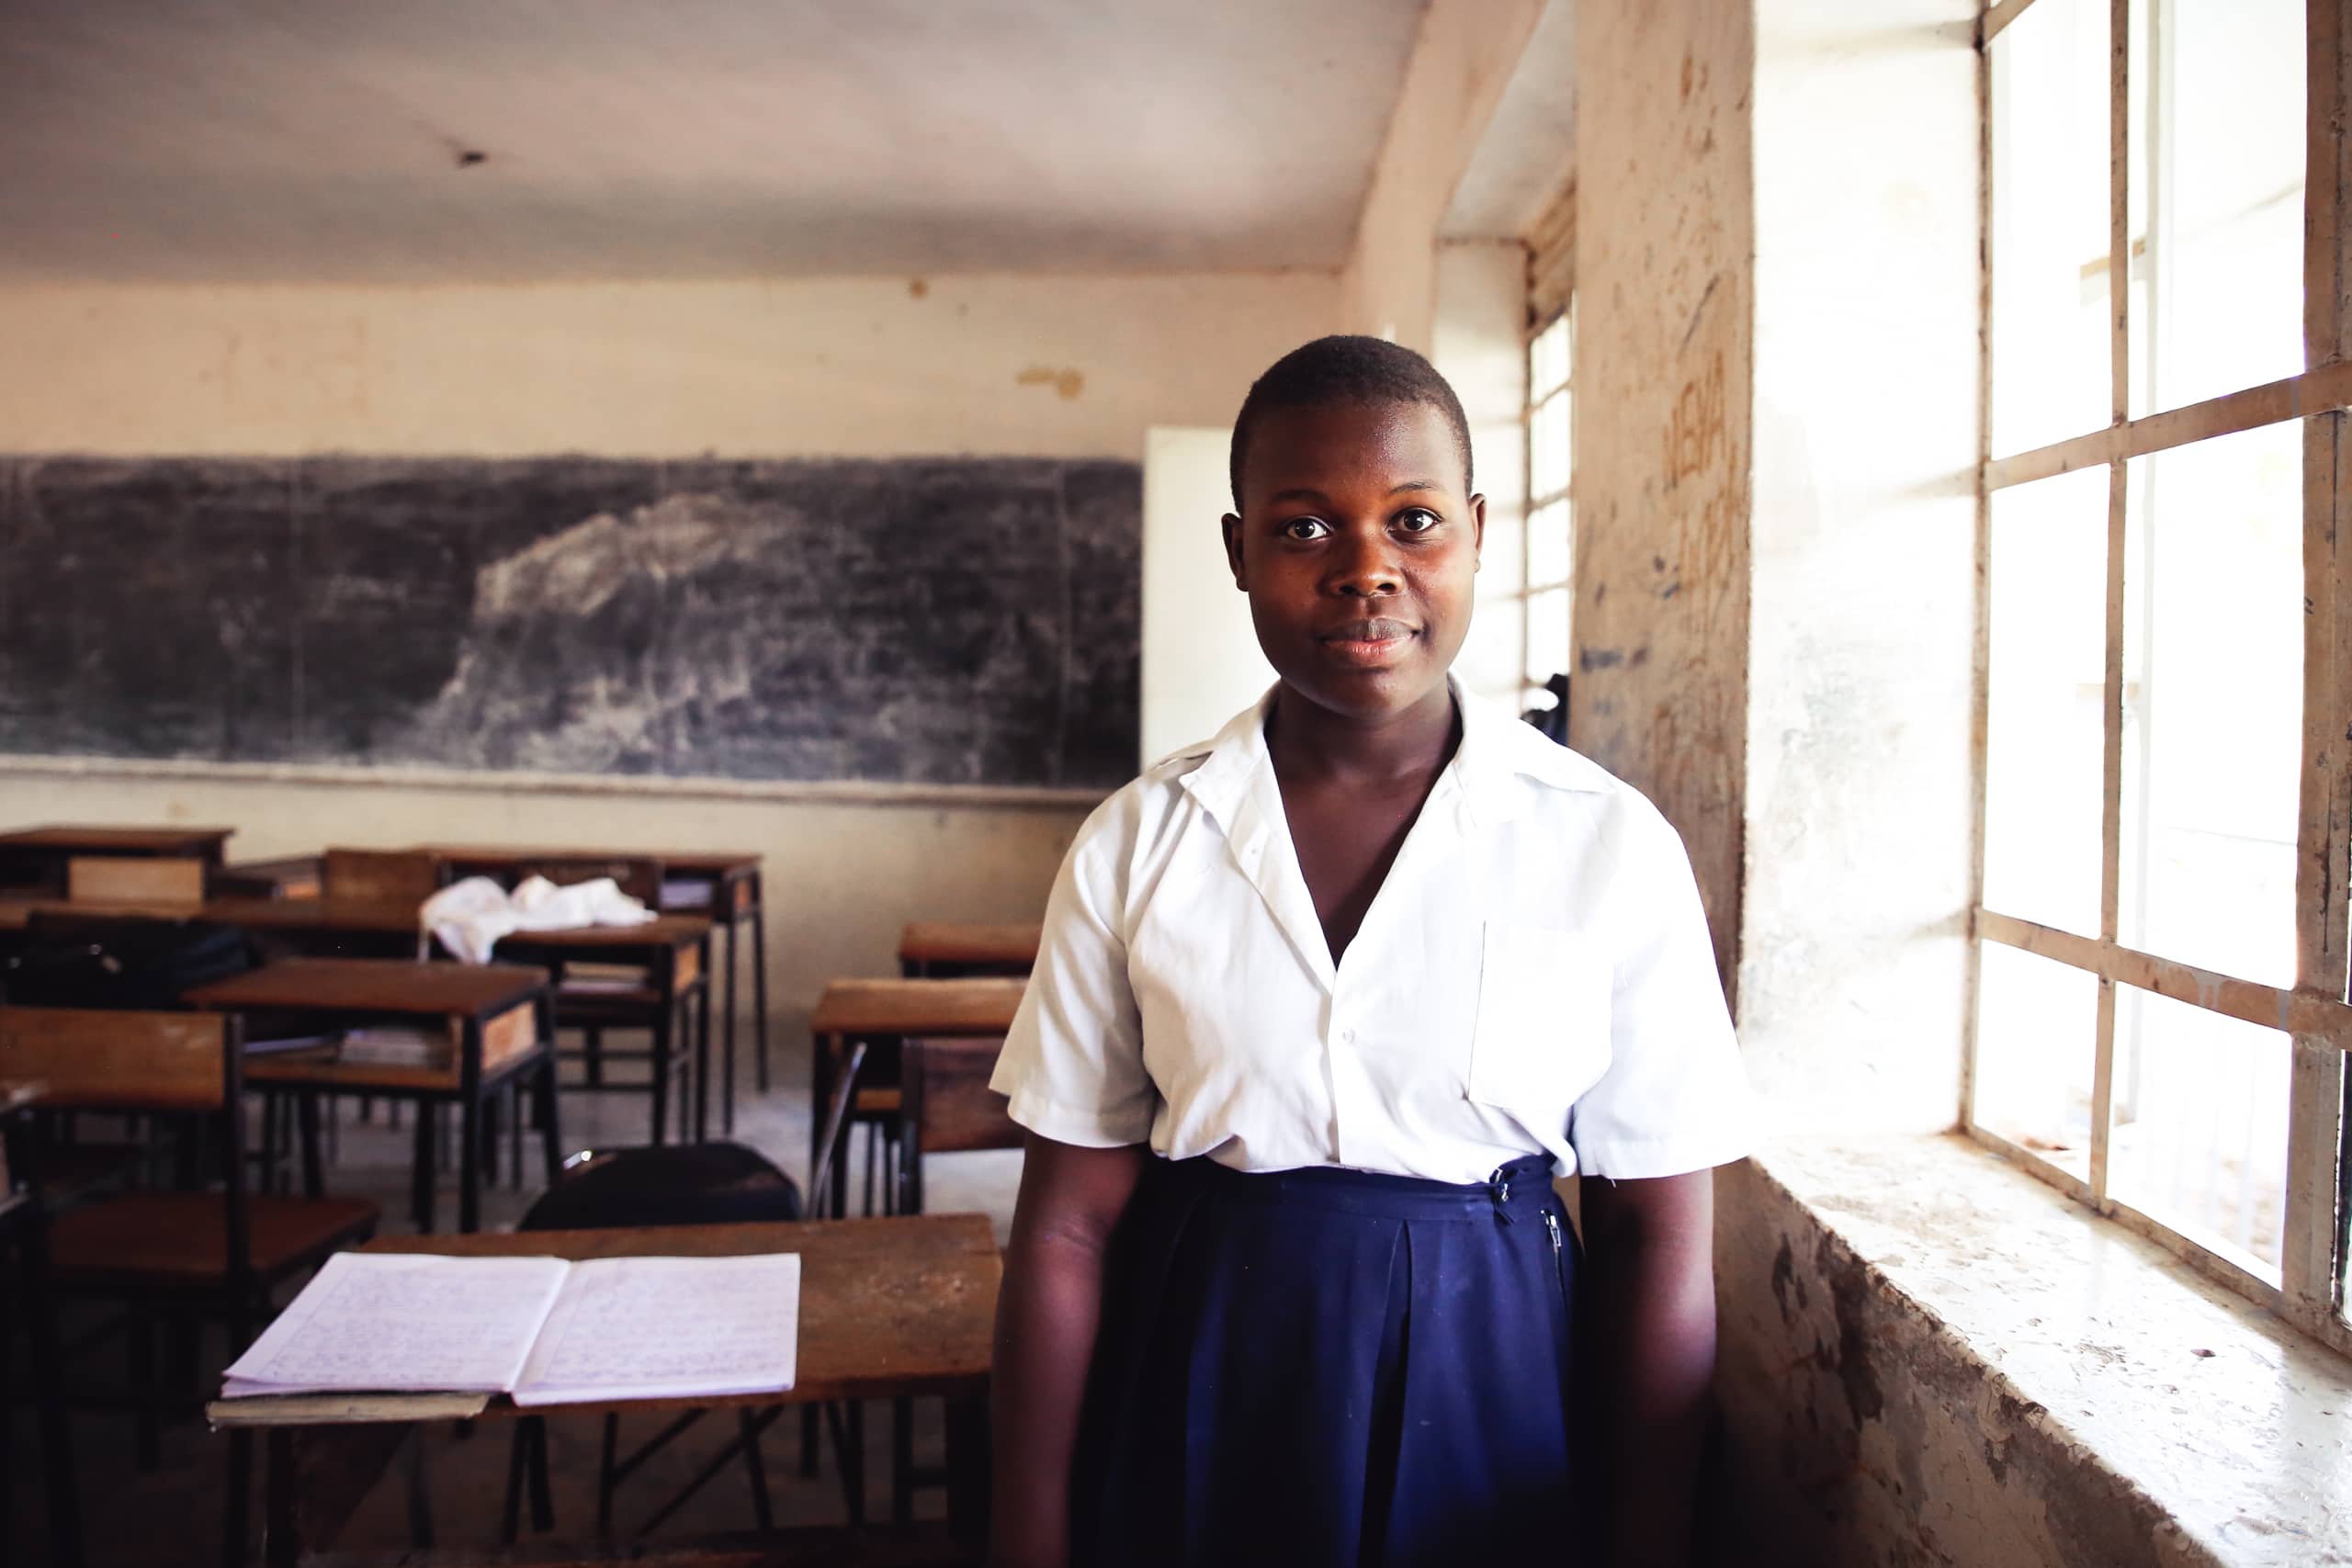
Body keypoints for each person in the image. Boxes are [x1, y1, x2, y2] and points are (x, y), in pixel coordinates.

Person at [987, 335, 1749, 1568]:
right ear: (1238, 553)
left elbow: (1659, 1233)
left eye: (1413, 520)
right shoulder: (1142, 842)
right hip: (1199, 1355)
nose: (1365, 570)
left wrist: (1645, 1537)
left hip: (1493, 1379)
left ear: (1479, 534)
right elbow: (1067, 1230)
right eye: (1303, 529)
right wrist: (1027, 1542)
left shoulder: (1605, 846)